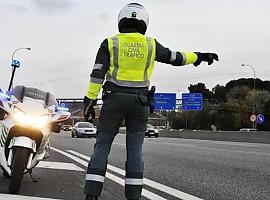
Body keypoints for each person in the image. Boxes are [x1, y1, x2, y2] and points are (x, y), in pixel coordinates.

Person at [83, 3, 219, 200]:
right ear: (144, 22)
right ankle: (133, 196)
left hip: (113, 100)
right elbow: (176, 57)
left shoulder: (110, 43)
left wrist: (90, 99)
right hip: (140, 102)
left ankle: (92, 195)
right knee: (135, 149)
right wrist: (198, 56)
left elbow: (97, 74)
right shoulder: (150, 44)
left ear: (121, 20)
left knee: (102, 145)